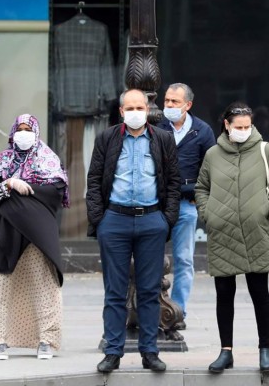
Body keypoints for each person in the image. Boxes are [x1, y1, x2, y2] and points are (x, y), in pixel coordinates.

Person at [86, 89, 181, 373]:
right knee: (114, 292)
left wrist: (167, 220)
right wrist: (100, 220)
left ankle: (149, 352)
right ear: (121, 111)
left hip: (152, 220)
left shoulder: (163, 138)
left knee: (150, 290)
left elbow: (174, 182)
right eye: (131, 107)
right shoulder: (107, 138)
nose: (136, 112)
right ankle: (113, 352)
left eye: (141, 107)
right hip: (114, 219)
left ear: (148, 109)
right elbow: (94, 180)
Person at [194, 102, 269, 374]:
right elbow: (201, 187)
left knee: (260, 293)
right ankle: (226, 351)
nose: (244, 131)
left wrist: (267, 208)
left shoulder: (264, 149)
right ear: (226, 125)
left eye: (248, 127)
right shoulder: (213, 154)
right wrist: (207, 212)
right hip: (222, 232)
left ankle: (265, 349)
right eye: (239, 127)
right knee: (224, 294)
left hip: (256, 232)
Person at [0, 114, 69, 360]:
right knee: (2, 286)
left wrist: (22, 193)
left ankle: (46, 340)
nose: (24, 133)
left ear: (36, 132)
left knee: (43, 285)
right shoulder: (3, 160)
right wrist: (9, 185)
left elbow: (55, 192)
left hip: (38, 233)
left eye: (29, 129)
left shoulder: (47, 158)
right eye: (20, 128)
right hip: (6, 231)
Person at [157, 83, 215, 330]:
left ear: (187, 105)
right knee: (150, 259)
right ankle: (152, 309)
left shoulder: (202, 131)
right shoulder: (156, 126)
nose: (168, 105)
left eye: (174, 102)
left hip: (186, 206)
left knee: (184, 260)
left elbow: (211, 167)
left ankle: (178, 311)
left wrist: (197, 194)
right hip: (157, 205)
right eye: (167, 101)